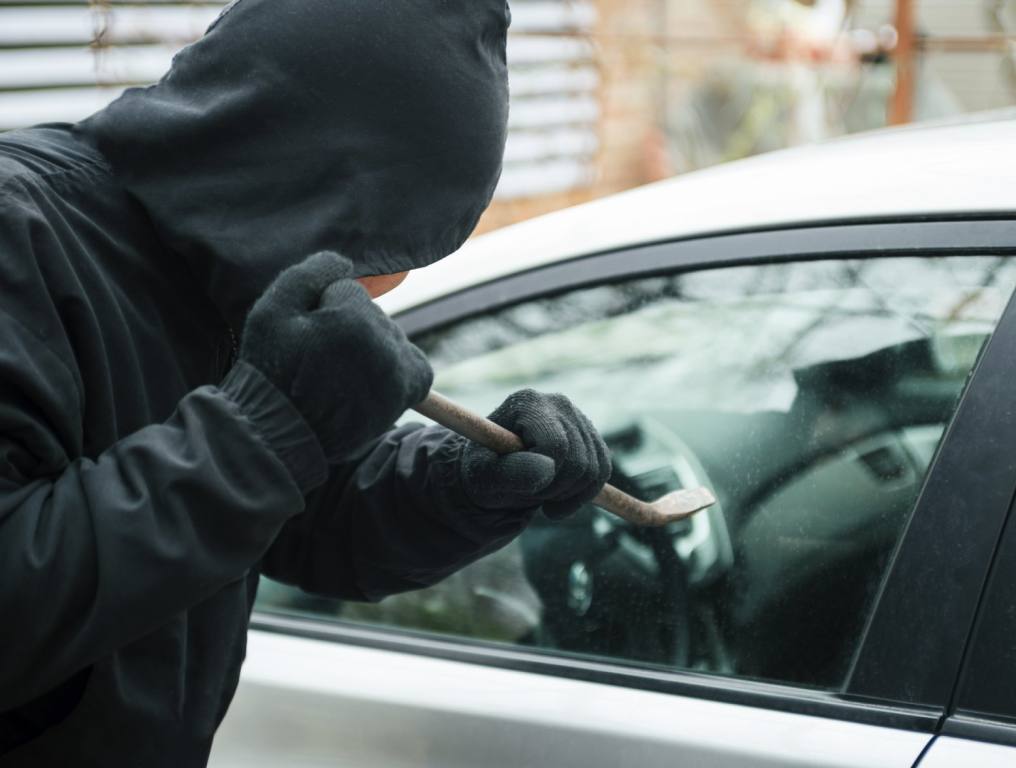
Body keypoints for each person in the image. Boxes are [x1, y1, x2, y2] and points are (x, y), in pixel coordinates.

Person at [0, 0, 611, 765]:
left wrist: (462, 485)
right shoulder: (19, 237)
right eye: (391, 246)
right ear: (311, 189)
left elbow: (296, 521)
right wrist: (261, 433)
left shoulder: (211, 268)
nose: (384, 290)